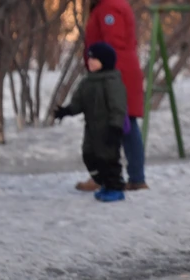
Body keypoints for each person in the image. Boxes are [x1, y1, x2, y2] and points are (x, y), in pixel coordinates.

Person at [79, 0, 147, 192]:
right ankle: (135, 177)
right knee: (125, 123)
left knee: (111, 123)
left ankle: (104, 177)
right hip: (121, 71)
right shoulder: (109, 6)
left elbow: (112, 44)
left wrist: (102, 73)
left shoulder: (109, 8)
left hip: (116, 73)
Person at [54, 43, 128, 203]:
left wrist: (116, 126)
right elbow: (78, 102)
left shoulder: (112, 81)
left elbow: (118, 106)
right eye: (90, 58)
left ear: (105, 62)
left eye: (95, 59)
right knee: (89, 155)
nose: (91, 61)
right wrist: (66, 111)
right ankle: (103, 183)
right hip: (92, 129)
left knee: (108, 159)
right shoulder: (87, 81)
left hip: (108, 128)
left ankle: (115, 187)